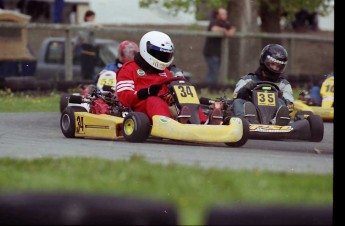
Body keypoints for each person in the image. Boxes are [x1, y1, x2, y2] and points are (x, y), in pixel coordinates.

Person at [116, 31, 221, 125]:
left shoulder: (165, 72)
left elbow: (167, 94)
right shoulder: (129, 69)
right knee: (154, 100)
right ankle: (167, 124)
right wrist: (146, 92)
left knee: (188, 100)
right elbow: (124, 97)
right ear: (146, 50)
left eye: (165, 55)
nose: (162, 58)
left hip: (165, 108)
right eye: (158, 54)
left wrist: (172, 97)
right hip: (140, 109)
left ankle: (203, 123)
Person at [231, 44, 294, 126]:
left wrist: (279, 95)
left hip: (274, 116)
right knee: (238, 102)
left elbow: (290, 104)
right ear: (264, 61)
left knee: (281, 101)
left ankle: (277, 121)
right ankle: (245, 122)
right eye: (272, 64)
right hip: (253, 111)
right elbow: (236, 96)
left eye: (278, 66)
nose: (275, 68)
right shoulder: (247, 79)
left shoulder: (283, 84)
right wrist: (246, 89)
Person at [202, 7, 236, 85]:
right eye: (223, 14)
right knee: (213, 72)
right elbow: (214, 29)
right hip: (211, 53)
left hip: (218, 53)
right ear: (217, 15)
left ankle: (211, 87)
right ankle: (210, 87)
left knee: (215, 72)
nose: (225, 15)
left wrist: (230, 31)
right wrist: (224, 31)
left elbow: (232, 29)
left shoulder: (225, 23)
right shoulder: (214, 21)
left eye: (225, 14)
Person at [76, 10, 102, 80]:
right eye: (92, 17)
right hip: (86, 48)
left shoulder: (88, 26)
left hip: (89, 49)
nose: (93, 19)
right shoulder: (85, 24)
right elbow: (96, 25)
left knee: (90, 68)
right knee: (87, 68)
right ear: (87, 17)